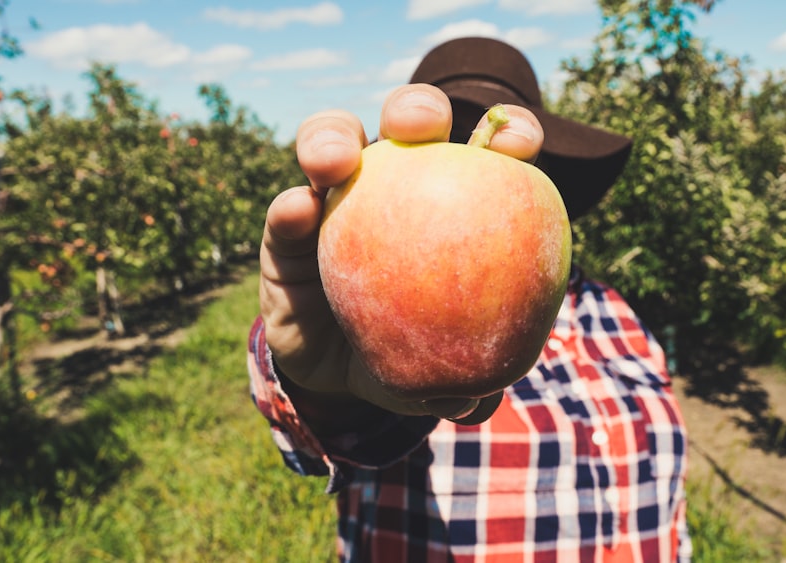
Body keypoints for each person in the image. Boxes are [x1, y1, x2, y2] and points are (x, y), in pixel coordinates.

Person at [249, 37, 690, 562]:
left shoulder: (615, 313)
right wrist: (326, 386)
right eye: (451, 140)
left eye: (476, 139)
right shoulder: (377, 329)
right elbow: (346, 432)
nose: (468, 154)